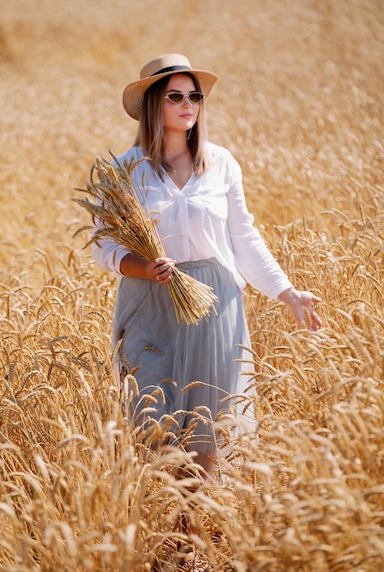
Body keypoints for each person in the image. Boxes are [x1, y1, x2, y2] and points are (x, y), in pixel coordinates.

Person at [92, 53, 322, 476]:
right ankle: (164, 529)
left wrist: (285, 290)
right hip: (149, 301)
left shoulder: (221, 163)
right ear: (151, 105)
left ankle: (195, 538)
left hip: (213, 306)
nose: (188, 104)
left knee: (206, 436)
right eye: (175, 95)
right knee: (153, 428)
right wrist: (144, 268)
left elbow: (244, 237)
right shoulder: (123, 171)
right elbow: (104, 247)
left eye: (195, 96)